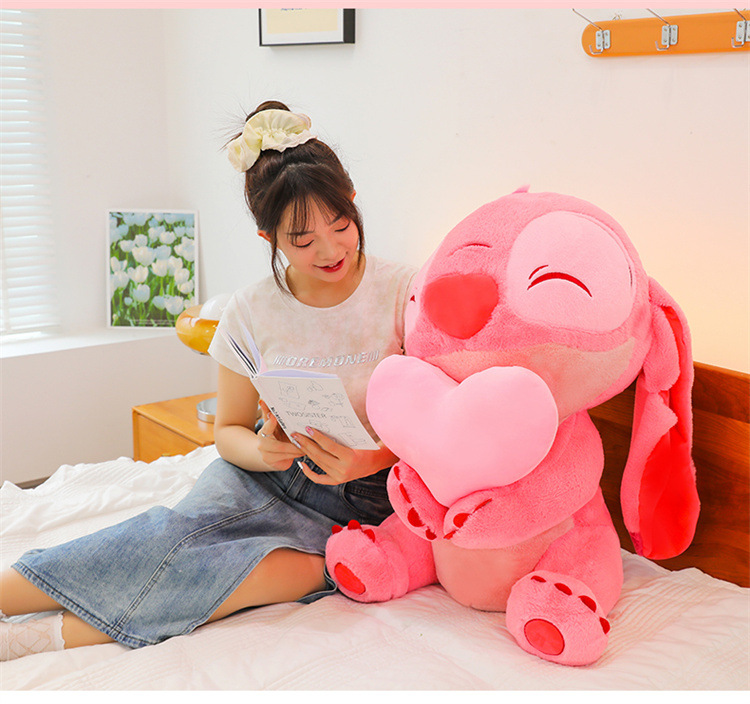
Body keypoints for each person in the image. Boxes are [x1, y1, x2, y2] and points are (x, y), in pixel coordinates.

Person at [0, 101, 416, 661]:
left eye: (341, 225)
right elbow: (228, 432)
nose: (330, 249)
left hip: (366, 499)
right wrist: (265, 450)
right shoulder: (251, 310)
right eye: (302, 239)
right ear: (269, 236)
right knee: (176, 534)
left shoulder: (405, 293)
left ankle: (40, 637)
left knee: (254, 571)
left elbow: (441, 427)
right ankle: (7, 594)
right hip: (268, 477)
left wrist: (373, 460)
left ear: (354, 204)